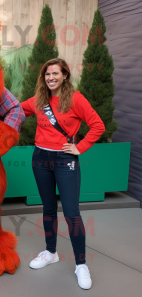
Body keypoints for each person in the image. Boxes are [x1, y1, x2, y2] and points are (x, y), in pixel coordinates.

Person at [21, 58, 105, 290]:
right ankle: (51, 252)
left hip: (65, 160)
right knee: (48, 209)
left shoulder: (76, 99)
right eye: (47, 74)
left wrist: (80, 147)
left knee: (71, 214)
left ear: (65, 75)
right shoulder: (39, 100)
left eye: (56, 74)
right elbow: (15, 110)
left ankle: (80, 264)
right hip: (40, 159)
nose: (51, 78)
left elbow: (98, 125)